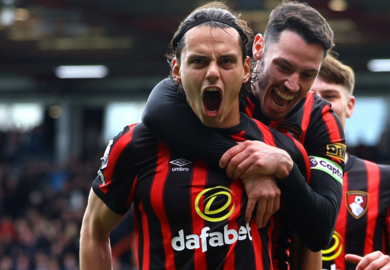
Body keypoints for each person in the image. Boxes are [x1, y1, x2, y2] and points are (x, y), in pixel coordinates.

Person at [80, 3, 313, 269]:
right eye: (199, 61)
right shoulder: (135, 145)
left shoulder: (283, 154)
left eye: (226, 61)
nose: (213, 72)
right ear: (177, 70)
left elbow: (308, 243)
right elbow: (94, 230)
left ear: (246, 69)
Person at [142, 1, 345, 261]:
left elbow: (320, 230)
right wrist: (249, 165)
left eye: (307, 75)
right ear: (258, 48)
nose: (292, 85)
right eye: (283, 66)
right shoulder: (225, 81)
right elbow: (157, 111)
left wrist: (285, 169)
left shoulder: (321, 120)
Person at [311, 54, 390, 270]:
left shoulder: (386, 179)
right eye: (310, 96)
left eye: (330, 95)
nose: (320, 103)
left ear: (350, 106)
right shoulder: (277, 171)